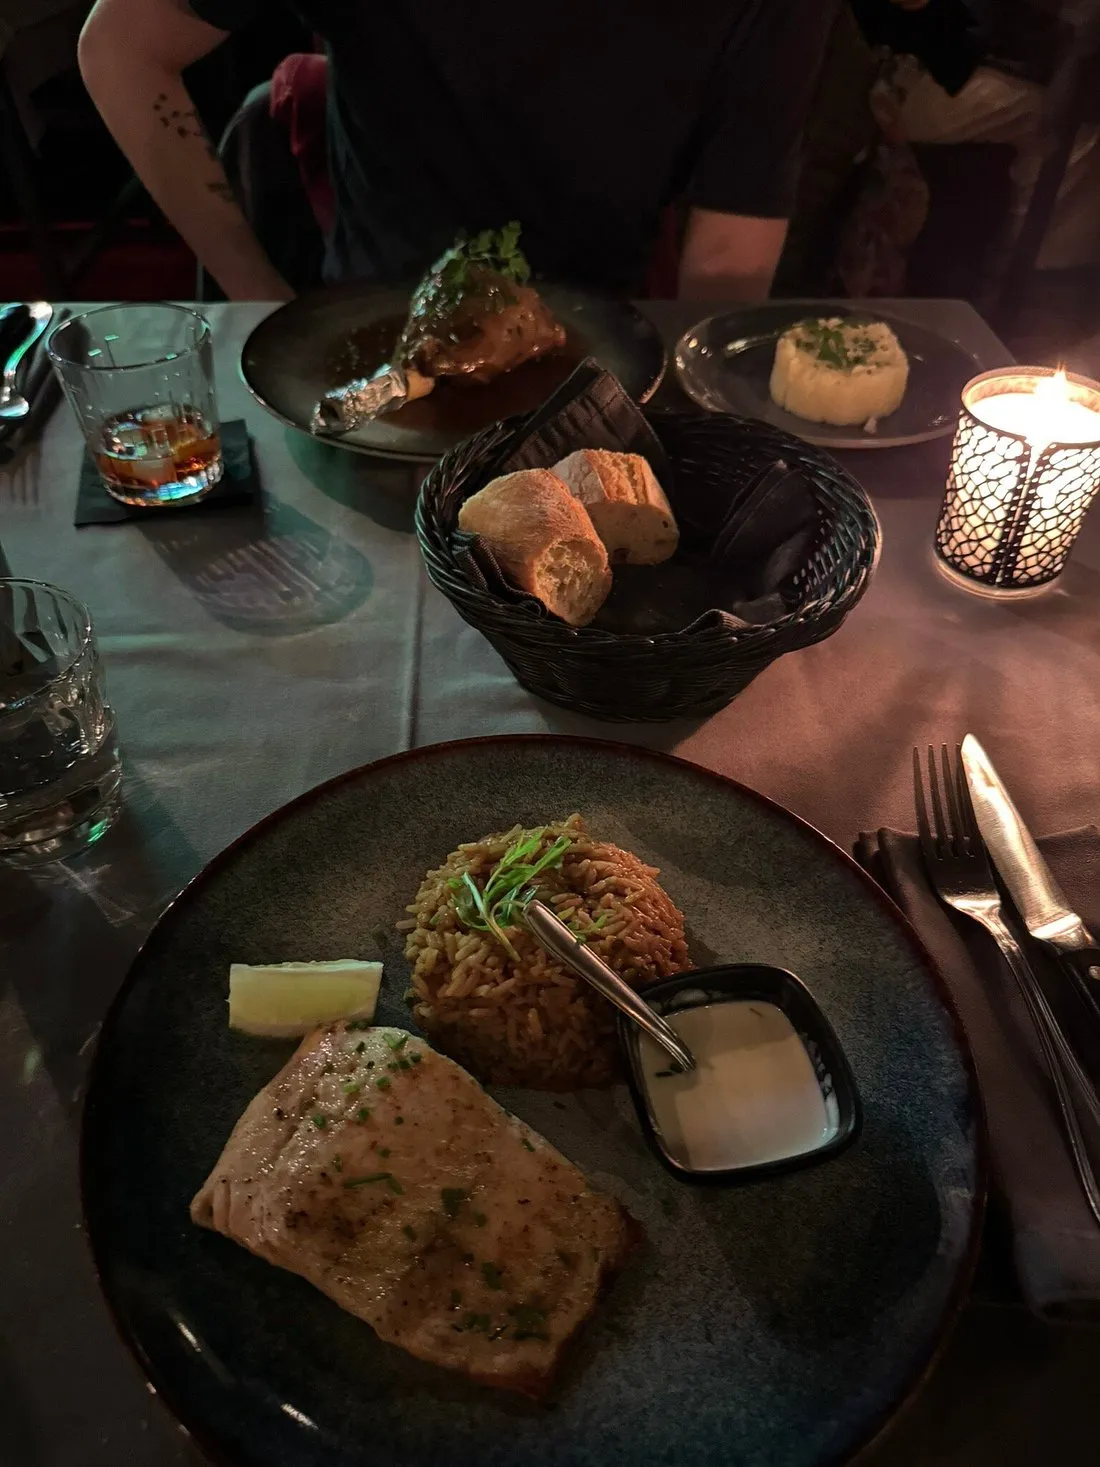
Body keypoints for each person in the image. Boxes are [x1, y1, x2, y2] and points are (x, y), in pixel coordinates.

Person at [77, 0, 839, 302]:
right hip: (369, 355)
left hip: (595, 371)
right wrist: (262, 302)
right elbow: (121, 48)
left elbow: (729, 258)